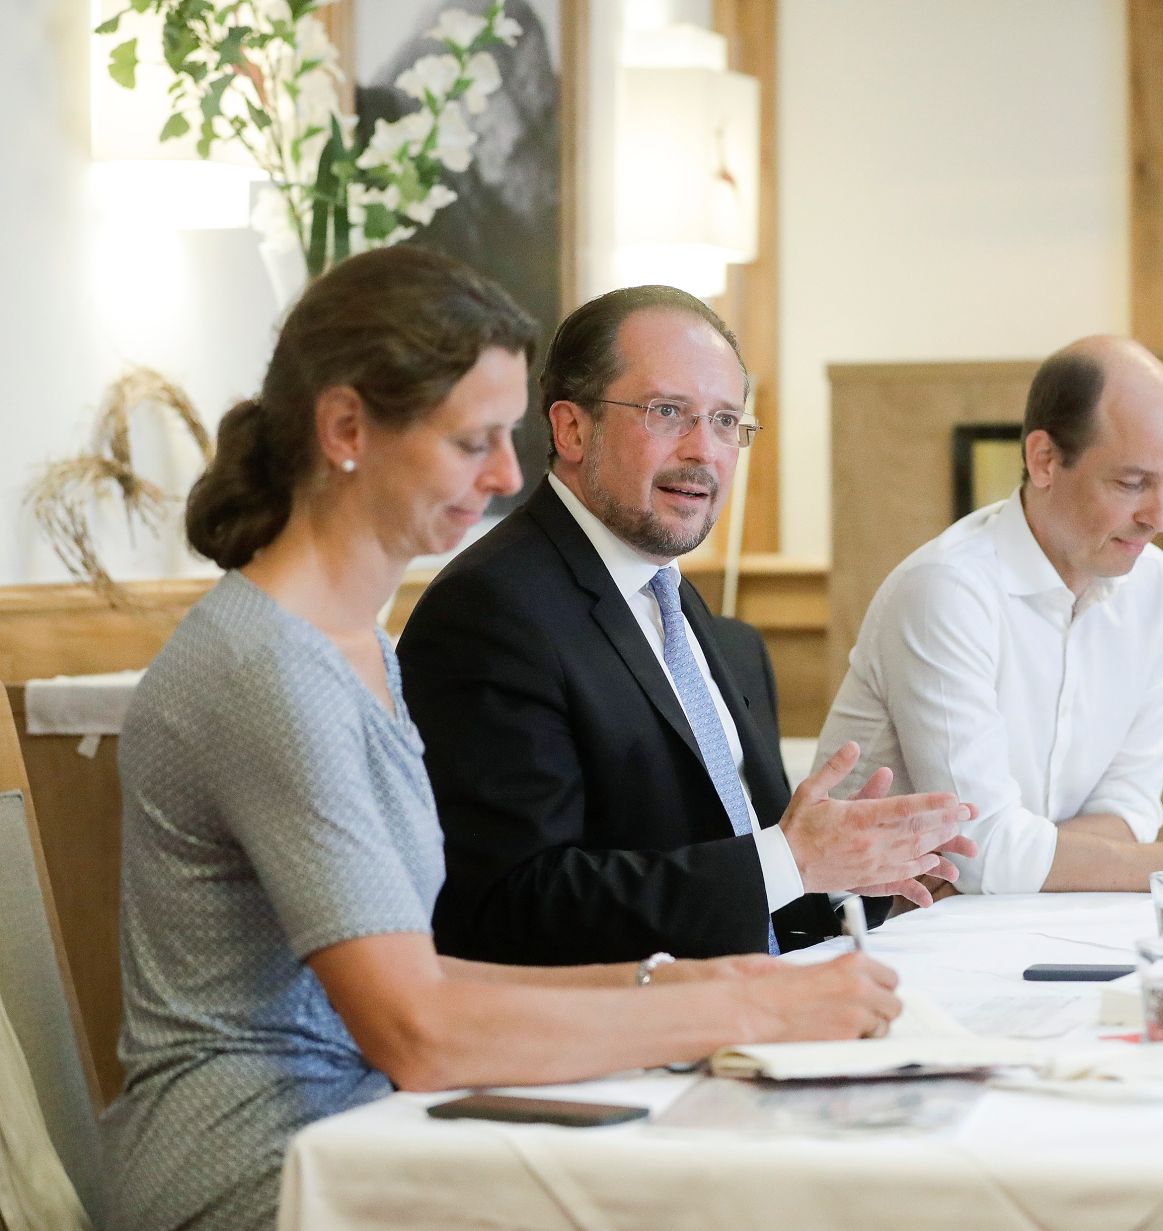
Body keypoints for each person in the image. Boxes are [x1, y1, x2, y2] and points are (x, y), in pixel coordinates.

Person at [101, 249, 905, 1231]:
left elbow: (428, 969)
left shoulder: (359, 648)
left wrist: (706, 977)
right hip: (268, 1160)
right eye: (473, 438)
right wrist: (748, 1012)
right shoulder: (269, 669)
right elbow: (419, 1030)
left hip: (381, 1120)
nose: (507, 475)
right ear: (347, 428)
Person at [396, 285, 975, 967]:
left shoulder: (703, 620)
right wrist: (789, 860)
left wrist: (854, 879)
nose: (705, 451)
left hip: (762, 1011)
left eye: (728, 421)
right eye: (669, 412)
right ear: (572, 429)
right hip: (611, 1051)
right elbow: (510, 907)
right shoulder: (491, 612)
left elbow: (738, 868)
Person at [817, 336, 1163, 896]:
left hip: (1017, 921)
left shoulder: (1149, 583)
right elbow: (988, 852)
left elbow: (1128, 806)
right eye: (1132, 484)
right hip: (881, 937)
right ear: (1045, 460)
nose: (1159, 518)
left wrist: (1023, 862)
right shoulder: (946, 591)